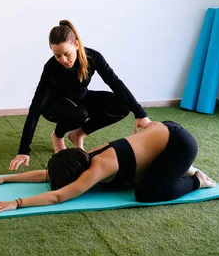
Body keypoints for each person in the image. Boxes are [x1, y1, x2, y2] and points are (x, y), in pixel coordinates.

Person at [0, 120, 216, 213]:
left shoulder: (98, 167)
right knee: (129, 180)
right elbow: (47, 175)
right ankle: (173, 168)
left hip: (178, 145)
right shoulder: (83, 156)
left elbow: (58, 197)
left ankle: (196, 178)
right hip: (160, 136)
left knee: (146, 193)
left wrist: (16, 203)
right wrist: (4, 178)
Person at [9, 19, 151, 171]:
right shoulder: (51, 68)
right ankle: (58, 136)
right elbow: (36, 107)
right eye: (57, 56)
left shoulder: (93, 57)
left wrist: (140, 113)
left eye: (66, 54)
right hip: (54, 105)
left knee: (122, 105)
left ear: (76, 45)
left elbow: (115, 83)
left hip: (80, 98)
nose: (63, 60)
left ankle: (78, 135)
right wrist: (24, 149)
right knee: (79, 114)